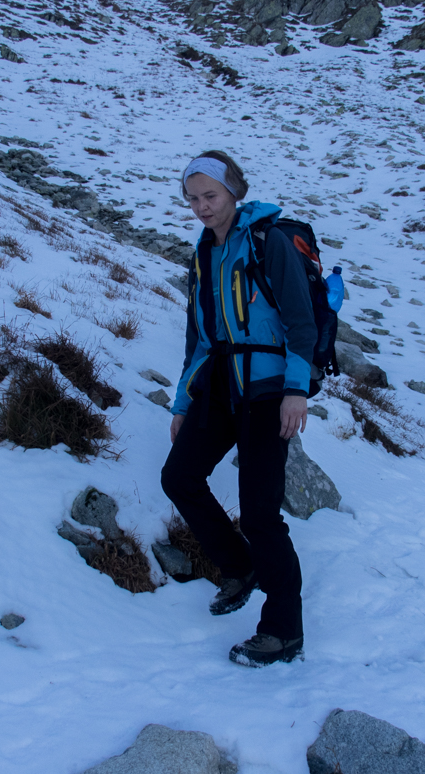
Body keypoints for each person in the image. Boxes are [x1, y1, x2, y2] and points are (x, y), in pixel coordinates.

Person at [160, 150, 316, 668]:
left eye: (211, 196)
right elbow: (198, 337)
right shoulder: (204, 252)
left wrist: (298, 390)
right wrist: (184, 400)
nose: (202, 207)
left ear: (234, 192)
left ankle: (283, 630)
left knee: (260, 514)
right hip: (220, 385)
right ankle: (239, 566)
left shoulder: (269, 242)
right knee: (179, 476)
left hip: (270, 390)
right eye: (193, 199)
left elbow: (299, 320)